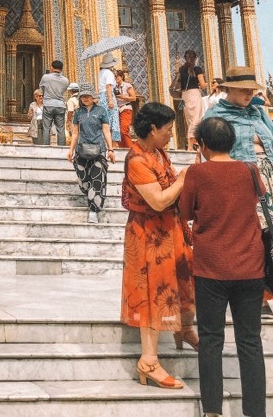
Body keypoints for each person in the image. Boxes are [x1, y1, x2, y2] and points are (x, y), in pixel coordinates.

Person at [179, 116, 267, 417]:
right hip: (250, 267)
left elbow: (185, 212)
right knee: (250, 340)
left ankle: (213, 410)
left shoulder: (197, 173)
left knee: (211, 339)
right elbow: (260, 197)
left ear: (201, 144)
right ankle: (255, 411)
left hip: (211, 268)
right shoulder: (250, 169)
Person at [121, 102, 195, 391]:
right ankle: (148, 360)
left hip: (168, 230)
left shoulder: (158, 152)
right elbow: (158, 200)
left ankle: (183, 329)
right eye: (166, 130)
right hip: (148, 234)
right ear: (152, 129)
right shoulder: (137, 160)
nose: (170, 135)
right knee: (153, 291)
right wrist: (184, 178)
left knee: (177, 282)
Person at [204, 65, 273, 202]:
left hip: (269, 176)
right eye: (244, 89)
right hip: (239, 178)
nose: (249, 94)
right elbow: (208, 152)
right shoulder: (216, 114)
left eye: (251, 90)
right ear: (230, 88)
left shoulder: (257, 111)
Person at [67, 83, 115, 223]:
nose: (85, 99)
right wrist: (71, 149)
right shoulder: (78, 113)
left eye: (88, 96)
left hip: (98, 148)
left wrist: (110, 149)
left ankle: (94, 210)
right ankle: (89, 191)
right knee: (83, 178)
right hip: (82, 149)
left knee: (97, 179)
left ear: (93, 97)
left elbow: (106, 130)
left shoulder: (101, 111)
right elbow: (75, 132)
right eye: (83, 96)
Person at [178, 49, 207, 151]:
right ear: (195, 58)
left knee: (189, 120)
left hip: (185, 95)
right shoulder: (197, 69)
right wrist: (209, 84)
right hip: (194, 93)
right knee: (196, 119)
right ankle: (192, 145)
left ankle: (191, 145)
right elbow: (203, 85)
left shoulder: (181, 69)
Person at [39, 60, 69, 145]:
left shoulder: (46, 77)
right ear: (62, 69)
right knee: (61, 128)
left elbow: (41, 89)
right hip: (60, 105)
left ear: (51, 67)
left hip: (48, 104)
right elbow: (63, 90)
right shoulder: (66, 80)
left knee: (46, 128)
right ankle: (61, 147)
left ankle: (45, 147)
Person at [97, 53, 120, 145]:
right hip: (107, 96)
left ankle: (106, 142)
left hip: (101, 96)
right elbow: (108, 87)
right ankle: (113, 143)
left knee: (104, 119)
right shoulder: (109, 73)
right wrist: (110, 100)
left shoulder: (101, 73)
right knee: (112, 118)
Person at [115, 68, 136, 148]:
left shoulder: (127, 86)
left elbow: (133, 98)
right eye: (114, 77)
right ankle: (122, 148)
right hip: (117, 110)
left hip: (126, 108)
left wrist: (123, 97)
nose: (115, 78)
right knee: (118, 131)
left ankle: (130, 148)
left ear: (121, 77)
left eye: (117, 76)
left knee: (124, 130)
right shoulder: (114, 87)